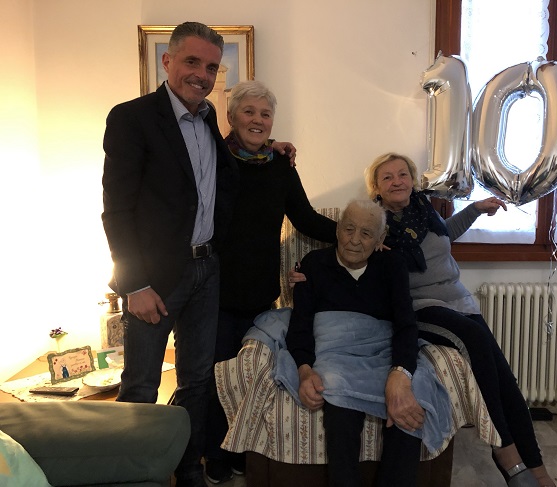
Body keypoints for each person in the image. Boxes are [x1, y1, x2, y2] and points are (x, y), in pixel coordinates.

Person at [102, 22, 293, 487]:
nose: (202, 74)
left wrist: (272, 146)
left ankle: (188, 470)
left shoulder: (208, 118)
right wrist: (134, 283)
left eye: (211, 67)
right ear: (167, 61)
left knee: (197, 382)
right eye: (192, 62)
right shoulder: (132, 118)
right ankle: (130, 477)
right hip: (154, 277)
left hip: (207, 270)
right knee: (141, 384)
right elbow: (116, 208)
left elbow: (231, 166)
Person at [363, 152, 556, 487]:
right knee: (474, 338)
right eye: (387, 177)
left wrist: (476, 209)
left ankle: (538, 470)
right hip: (421, 305)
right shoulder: (374, 224)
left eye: (402, 174)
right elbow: (351, 255)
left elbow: (445, 235)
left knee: (506, 381)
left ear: (412, 180)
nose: (397, 182)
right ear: (376, 188)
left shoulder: (424, 209)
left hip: (459, 300)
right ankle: (506, 454)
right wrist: (370, 252)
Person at [204, 79, 337, 483]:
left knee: (253, 377)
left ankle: (242, 450)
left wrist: (354, 235)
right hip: (214, 293)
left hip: (261, 294)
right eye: (249, 112)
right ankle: (214, 456)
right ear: (232, 117)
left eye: (265, 114)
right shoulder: (213, 157)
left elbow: (306, 218)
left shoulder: (280, 165)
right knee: (215, 378)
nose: (258, 120)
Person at [286, 199, 426, 487]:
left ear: (380, 239)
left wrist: (400, 373)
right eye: (349, 229)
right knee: (340, 409)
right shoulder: (313, 264)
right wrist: (305, 370)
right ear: (338, 230)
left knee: (407, 407)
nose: (354, 240)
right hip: (335, 355)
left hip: (382, 352)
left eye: (366, 233)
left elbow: (406, 324)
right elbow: (300, 325)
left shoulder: (392, 265)